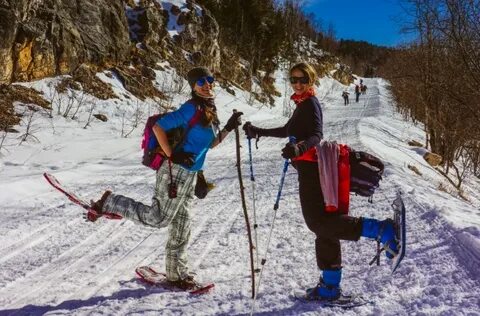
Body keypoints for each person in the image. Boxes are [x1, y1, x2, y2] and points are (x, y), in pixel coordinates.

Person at [243, 62, 399, 301]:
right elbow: (288, 129)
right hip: (308, 168)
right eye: (293, 79)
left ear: (311, 80)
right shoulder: (301, 103)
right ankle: (329, 286)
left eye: (302, 79)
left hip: (314, 170)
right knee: (325, 224)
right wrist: (259, 131)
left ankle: (379, 229)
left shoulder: (311, 103)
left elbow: (317, 134)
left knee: (318, 223)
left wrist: (299, 147)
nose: (297, 83)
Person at [90, 66, 242, 290]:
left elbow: (209, 144)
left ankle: (177, 274)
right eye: (201, 81)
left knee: (182, 226)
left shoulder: (208, 108)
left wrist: (228, 127)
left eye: (210, 80)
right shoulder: (190, 108)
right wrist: (173, 154)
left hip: (190, 175)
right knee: (159, 218)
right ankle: (111, 202)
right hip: (174, 171)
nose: (207, 84)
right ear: (193, 86)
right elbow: (159, 128)